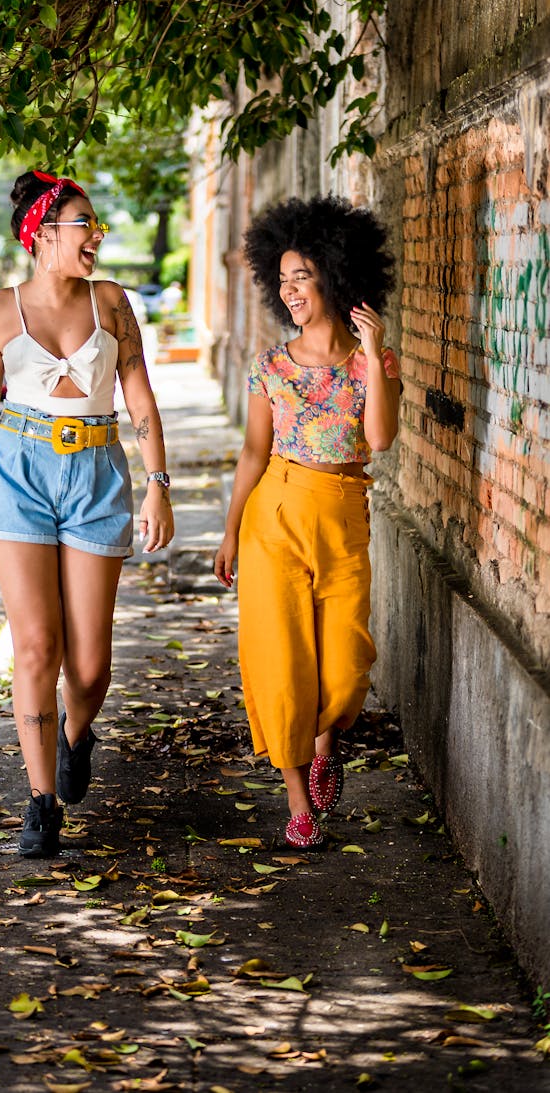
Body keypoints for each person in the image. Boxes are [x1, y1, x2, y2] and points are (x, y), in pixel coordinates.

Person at [0, 170, 174, 858]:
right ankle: (41, 801)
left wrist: (158, 483)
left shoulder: (112, 304)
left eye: (97, 228)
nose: (96, 239)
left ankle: (78, 735)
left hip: (95, 475)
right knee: (35, 648)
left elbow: (139, 398)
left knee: (90, 667)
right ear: (43, 236)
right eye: (86, 226)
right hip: (18, 475)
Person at [214, 195, 400, 851]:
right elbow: (252, 452)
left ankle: (327, 742)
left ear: (335, 276)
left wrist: (374, 353)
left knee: (346, 668)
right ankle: (298, 806)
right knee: (281, 663)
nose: (291, 290)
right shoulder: (271, 366)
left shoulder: (369, 364)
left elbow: (378, 437)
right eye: (283, 278)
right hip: (275, 516)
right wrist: (231, 527)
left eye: (303, 276)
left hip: (344, 516)